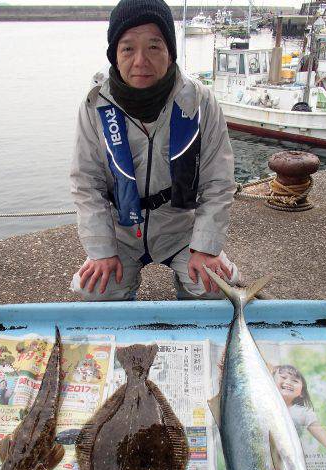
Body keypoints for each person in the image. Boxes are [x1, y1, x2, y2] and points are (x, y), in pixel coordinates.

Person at [70, 0, 239, 301]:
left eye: (153, 47)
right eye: (127, 48)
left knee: (216, 290)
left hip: (180, 224)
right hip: (121, 228)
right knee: (94, 290)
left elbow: (219, 182)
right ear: (114, 55)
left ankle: (189, 305)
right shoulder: (95, 105)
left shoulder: (200, 103)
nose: (140, 61)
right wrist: (101, 249)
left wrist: (205, 247)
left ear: (170, 51)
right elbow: (87, 184)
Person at [271, 364, 326, 448]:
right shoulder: (262, 404)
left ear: (301, 392)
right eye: (283, 377)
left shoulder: (303, 413)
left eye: (295, 381)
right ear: (270, 381)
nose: (289, 382)